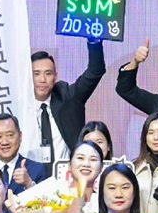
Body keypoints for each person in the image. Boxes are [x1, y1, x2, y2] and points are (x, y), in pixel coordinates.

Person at [29, 41, 108, 171]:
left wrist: (94, 42)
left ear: (55, 76)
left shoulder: (68, 97)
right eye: (36, 74)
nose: (42, 79)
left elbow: (95, 71)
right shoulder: (19, 107)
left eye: (48, 73)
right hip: (30, 178)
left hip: (68, 177)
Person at [0, 112, 49, 194]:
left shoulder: (38, 170)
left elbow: (45, 200)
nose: (5, 142)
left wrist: (29, 184)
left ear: (20, 136)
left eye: (10, 135)